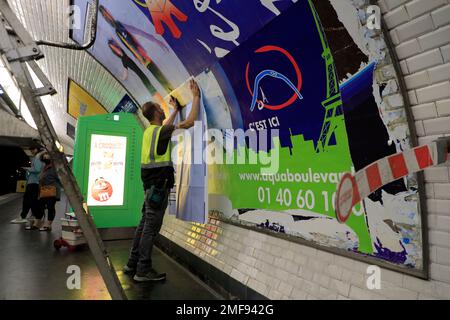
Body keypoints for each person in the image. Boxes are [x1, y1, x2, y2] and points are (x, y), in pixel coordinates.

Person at [123, 79, 200, 282]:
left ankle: (132, 264)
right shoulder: (161, 131)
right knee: (150, 229)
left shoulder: (149, 132)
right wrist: (196, 97)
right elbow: (190, 122)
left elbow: (165, 128)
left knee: (143, 225)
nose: (163, 108)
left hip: (150, 189)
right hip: (159, 188)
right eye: (161, 107)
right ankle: (143, 270)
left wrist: (174, 110)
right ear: (157, 113)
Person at [25, 152, 61, 231]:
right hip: (43, 190)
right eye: (44, 157)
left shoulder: (55, 167)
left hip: (52, 190)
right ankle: (36, 224)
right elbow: (40, 177)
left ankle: (48, 225)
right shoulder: (44, 167)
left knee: (50, 207)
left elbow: (59, 178)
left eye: (47, 156)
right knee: (39, 207)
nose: (45, 158)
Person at [11, 146, 44, 224]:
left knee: (27, 200)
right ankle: (35, 215)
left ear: (36, 149)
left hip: (33, 182)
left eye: (32, 149)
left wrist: (27, 169)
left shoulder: (38, 157)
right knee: (33, 200)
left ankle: (23, 217)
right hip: (35, 182)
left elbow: (37, 169)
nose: (31, 151)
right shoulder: (39, 157)